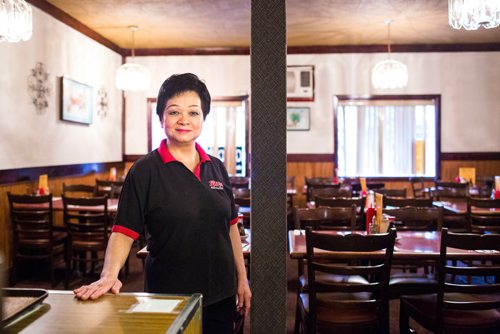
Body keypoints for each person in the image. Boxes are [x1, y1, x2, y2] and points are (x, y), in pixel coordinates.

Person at [74, 73, 251, 333]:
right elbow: (123, 231)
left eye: (193, 113)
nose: (184, 120)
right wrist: (108, 275)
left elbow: (231, 227)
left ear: (203, 119)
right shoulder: (144, 170)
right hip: (168, 295)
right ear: (160, 118)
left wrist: (242, 278)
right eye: (174, 112)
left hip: (220, 294)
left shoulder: (216, 168)